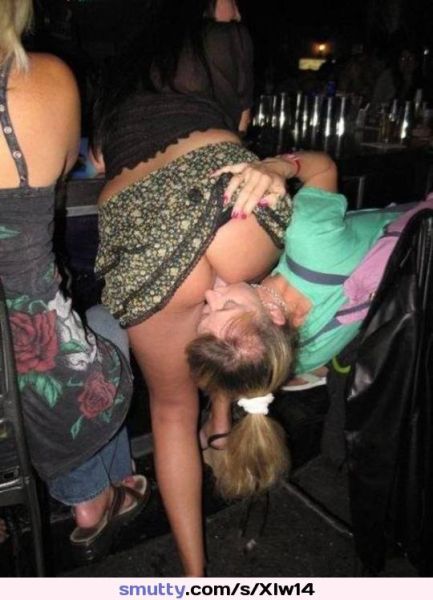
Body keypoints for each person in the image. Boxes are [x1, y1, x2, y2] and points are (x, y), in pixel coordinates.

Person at [92, 0, 291, 575]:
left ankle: (195, 579)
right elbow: (241, 123)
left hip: (146, 226)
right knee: (240, 312)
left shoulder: (117, 70)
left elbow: (103, 159)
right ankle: (222, 420)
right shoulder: (226, 38)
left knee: (172, 410)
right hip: (230, 194)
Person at [186, 150, 433, 498]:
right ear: (274, 317)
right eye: (225, 305)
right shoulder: (311, 241)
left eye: (206, 313)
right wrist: (278, 167)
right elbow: (323, 167)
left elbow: (241, 362)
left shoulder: (295, 359)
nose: (209, 296)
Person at [0, 0, 149, 561]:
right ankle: (91, 497)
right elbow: (65, 166)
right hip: (30, 375)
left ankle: (100, 485)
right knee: (105, 327)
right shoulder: (46, 79)